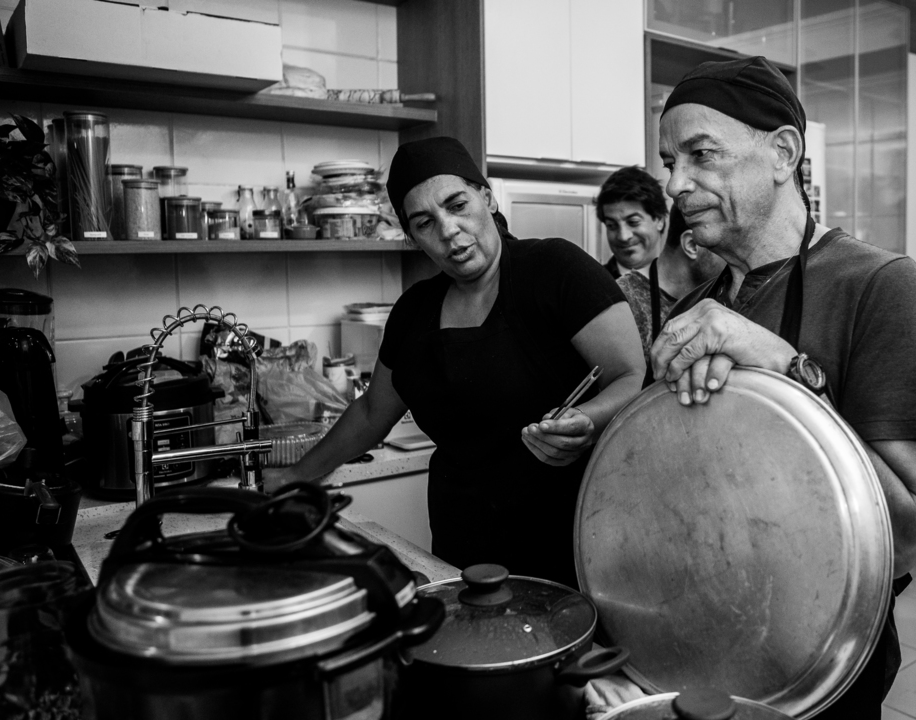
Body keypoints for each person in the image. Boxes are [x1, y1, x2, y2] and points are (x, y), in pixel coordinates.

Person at [649, 56, 916, 720]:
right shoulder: (695, 311)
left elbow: (907, 526)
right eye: (669, 162)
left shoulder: (879, 285)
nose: (675, 183)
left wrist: (783, 363)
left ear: (783, 152)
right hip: (701, 633)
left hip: (821, 653)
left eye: (701, 154)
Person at [265, 137, 644, 588]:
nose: (448, 230)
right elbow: (370, 413)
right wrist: (295, 476)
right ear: (413, 238)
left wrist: (588, 420)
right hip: (462, 545)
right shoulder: (413, 312)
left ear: (486, 197)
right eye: (425, 223)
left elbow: (630, 376)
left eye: (457, 205)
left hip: (572, 539)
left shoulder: (555, 269)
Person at [616, 204, 727, 363]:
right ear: (692, 245)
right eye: (726, 249)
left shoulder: (718, 296)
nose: (734, 260)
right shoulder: (625, 302)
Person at [597, 165, 666, 279]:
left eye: (633, 222)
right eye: (612, 225)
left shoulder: (687, 282)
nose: (623, 236)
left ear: (659, 220)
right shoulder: (592, 283)